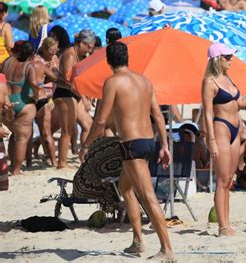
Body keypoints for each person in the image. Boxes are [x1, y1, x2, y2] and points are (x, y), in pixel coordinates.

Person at [79, 41, 173, 259]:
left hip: (131, 145)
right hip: (148, 142)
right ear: (127, 58)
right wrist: (165, 145)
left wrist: (86, 145)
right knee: (125, 188)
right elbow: (159, 115)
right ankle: (138, 241)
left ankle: (167, 250)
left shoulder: (112, 82)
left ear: (109, 61)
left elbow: (101, 120)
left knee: (148, 197)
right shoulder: (144, 81)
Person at [201, 43, 246, 236]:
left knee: (229, 179)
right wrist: (211, 140)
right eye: (227, 57)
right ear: (217, 59)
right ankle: (223, 227)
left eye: (231, 56)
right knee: (222, 179)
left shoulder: (228, 78)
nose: (231, 59)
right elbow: (207, 114)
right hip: (221, 128)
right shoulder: (210, 82)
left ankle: (227, 223)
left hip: (235, 128)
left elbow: (240, 103)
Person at [54, 30, 94, 169]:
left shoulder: (77, 55)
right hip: (64, 93)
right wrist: (83, 97)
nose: (89, 50)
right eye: (88, 47)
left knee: (88, 125)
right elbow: (67, 79)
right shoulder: (70, 55)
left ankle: (85, 157)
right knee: (67, 131)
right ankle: (62, 163)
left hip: (72, 94)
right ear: (82, 43)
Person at [1, 41, 39, 175]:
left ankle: (11, 165)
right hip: (22, 102)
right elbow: (34, 83)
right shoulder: (29, 66)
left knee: (13, 135)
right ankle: (16, 169)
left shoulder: (7, 62)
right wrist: (37, 95)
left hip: (6, 100)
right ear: (32, 53)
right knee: (22, 138)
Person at [32, 37, 59, 166]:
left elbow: (58, 75)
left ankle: (36, 144)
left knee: (53, 126)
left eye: (56, 50)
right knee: (45, 128)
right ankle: (49, 157)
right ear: (44, 49)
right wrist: (48, 73)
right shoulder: (37, 60)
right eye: (51, 50)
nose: (54, 53)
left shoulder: (55, 58)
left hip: (53, 94)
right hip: (43, 95)